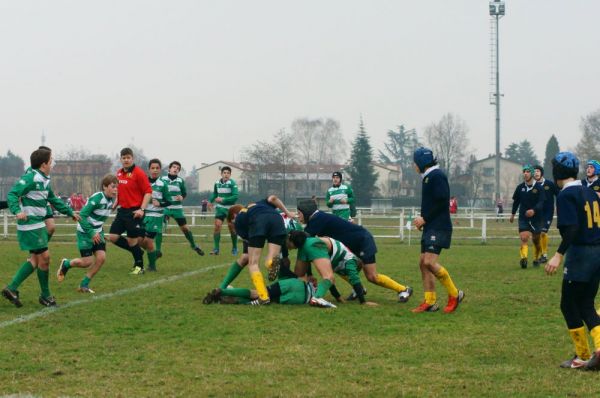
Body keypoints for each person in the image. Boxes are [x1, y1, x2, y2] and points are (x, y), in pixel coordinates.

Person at [2, 148, 80, 307]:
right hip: (30, 225)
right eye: (51, 161)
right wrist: (17, 211)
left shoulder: (44, 179)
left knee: (37, 259)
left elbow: (53, 199)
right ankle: (45, 296)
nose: (52, 163)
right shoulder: (31, 177)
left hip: (37, 225)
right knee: (44, 258)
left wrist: (69, 212)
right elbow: (12, 194)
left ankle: (12, 288)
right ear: (44, 164)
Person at [544, 152, 600, 370]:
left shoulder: (567, 195)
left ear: (557, 171)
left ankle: (581, 355)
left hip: (581, 254)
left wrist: (558, 255)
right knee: (586, 304)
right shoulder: (590, 192)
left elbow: (573, 229)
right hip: (597, 251)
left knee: (568, 304)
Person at [296, 199, 413, 303]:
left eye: (299, 213)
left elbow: (304, 246)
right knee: (341, 269)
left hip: (362, 241)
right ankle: (359, 290)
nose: (298, 216)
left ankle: (403, 289)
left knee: (372, 276)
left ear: (306, 212)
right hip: (352, 245)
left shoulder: (316, 220)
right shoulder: (317, 218)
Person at [411, 147, 464, 313]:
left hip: (439, 227)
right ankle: (430, 301)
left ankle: (455, 294)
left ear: (421, 162)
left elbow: (442, 202)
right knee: (423, 263)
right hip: (430, 227)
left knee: (429, 262)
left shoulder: (437, 176)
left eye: (415, 162)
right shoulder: (428, 177)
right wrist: (423, 221)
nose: (414, 166)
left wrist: (424, 218)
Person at [56, 175, 118, 293]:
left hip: (97, 232)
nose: (115, 189)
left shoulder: (111, 200)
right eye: (113, 187)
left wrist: (100, 231)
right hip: (85, 232)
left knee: (101, 258)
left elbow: (98, 219)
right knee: (87, 262)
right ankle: (66, 264)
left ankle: (84, 284)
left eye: (117, 187)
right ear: (105, 187)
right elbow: (82, 216)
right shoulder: (97, 198)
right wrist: (91, 232)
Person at [232, 195, 295, 305]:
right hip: (277, 218)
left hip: (258, 220)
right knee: (271, 258)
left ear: (233, 217)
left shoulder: (238, 221)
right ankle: (271, 263)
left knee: (253, 263)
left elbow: (247, 246)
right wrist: (288, 213)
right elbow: (273, 198)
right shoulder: (261, 202)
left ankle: (263, 296)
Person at [287, 230, 375, 306]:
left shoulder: (338, 262)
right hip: (314, 244)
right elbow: (354, 278)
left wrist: (338, 298)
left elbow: (330, 282)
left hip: (309, 243)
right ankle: (316, 298)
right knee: (329, 277)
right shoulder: (350, 261)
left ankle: (286, 289)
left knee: (299, 275)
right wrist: (363, 301)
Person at [108, 147, 152, 275]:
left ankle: (139, 267)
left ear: (133, 159)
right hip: (122, 211)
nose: (126, 160)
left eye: (128, 157)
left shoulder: (139, 173)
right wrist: (115, 204)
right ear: (120, 159)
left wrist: (142, 209)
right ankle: (137, 251)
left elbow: (148, 192)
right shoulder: (119, 173)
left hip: (134, 212)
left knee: (132, 241)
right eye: (124, 158)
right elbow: (120, 192)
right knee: (113, 237)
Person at [203, 265, 318, 306]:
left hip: (294, 284)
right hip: (300, 299)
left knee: (258, 294)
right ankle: (230, 299)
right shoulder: (318, 294)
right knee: (266, 300)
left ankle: (223, 292)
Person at [161, 161, 205, 256]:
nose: (176, 169)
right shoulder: (162, 179)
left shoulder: (180, 181)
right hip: (166, 207)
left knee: (185, 228)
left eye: (178, 168)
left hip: (177, 208)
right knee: (161, 226)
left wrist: (182, 197)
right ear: (169, 169)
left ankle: (193, 245)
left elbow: (184, 193)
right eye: (174, 167)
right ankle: (157, 250)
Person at [510, 164, 546, 268]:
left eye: (527, 172)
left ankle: (536, 258)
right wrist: (512, 214)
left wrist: (534, 210)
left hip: (537, 218)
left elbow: (541, 202)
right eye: (524, 172)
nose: (525, 174)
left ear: (532, 173)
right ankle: (524, 259)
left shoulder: (539, 187)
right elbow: (516, 202)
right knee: (524, 237)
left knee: (536, 240)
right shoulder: (520, 187)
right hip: (523, 217)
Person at [143, 159, 171, 271]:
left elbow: (169, 201)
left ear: (160, 170)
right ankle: (153, 257)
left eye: (157, 168)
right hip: (143, 215)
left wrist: (160, 203)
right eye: (152, 168)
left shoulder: (163, 184)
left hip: (156, 217)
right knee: (142, 241)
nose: (155, 170)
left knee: (148, 241)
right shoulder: (144, 182)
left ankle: (152, 266)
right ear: (149, 169)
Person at [209, 166, 239, 255]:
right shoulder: (217, 183)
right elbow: (215, 193)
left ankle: (234, 248)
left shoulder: (232, 183)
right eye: (224, 173)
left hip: (231, 209)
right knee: (217, 226)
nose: (226, 174)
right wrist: (210, 202)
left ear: (230, 174)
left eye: (228, 173)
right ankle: (216, 249)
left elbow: (235, 196)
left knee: (231, 228)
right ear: (221, 174)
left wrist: (223, 200)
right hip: (220, 208)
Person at [534, 165, 559, 264]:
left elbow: (559, 195)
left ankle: (544, 255)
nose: (536, 173)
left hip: (548, 212)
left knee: (543, 232)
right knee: (537, 235)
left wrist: (559, 206)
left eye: (537, 171)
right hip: (537, 213)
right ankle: (540, 255)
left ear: (541, 173)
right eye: (534, 171)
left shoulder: (549, 184)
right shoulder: (532, 186)